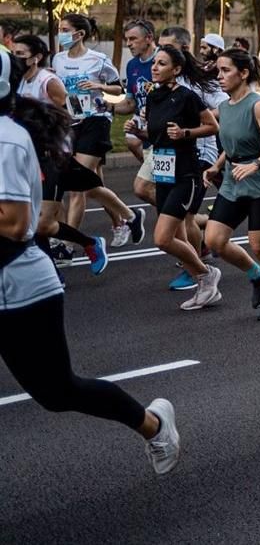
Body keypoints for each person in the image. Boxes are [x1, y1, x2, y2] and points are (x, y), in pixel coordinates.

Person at [0, 49, 183, 475]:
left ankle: (154, 426)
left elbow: (12, 223)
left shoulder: (6, 139)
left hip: (18, 287)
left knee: (57, 392)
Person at [204, 49, 260, 319]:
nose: (219, 76)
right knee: (215, 240)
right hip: (234, 178)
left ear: (243, 74)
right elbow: (233, 141)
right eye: (218, 70)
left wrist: (256, 164)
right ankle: (256, 275)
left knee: (259, 246)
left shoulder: (258, 105)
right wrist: (218, 165)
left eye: (225, 71)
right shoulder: (224, 106)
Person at [13, 35, 114, 271]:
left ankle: (83, 248)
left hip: (51, 157)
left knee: (43, 223)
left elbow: (72, 113)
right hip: (29, 156)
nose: (15, 58)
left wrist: (47, 130)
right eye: (13, 53)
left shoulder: (48, 81)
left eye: (20, 54)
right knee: (37, 224)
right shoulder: (17, 81)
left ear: (35, 58)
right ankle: (67, 260)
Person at [145, 44, 228, 309]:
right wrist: (138, 131)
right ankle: (204, 281)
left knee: (162, 238)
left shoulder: (187, 96)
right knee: (175, 237)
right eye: (154, 63)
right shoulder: (153, 96)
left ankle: (206, 273)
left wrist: (186, 134)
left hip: (186, 173)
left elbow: (212, 126)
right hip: (163, 171)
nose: (154, 68)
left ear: (176, 69)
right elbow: (157, 133)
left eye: (161, 64)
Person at [50, 13, 138, 243]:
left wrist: (98, 85)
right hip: (71, 123)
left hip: (96, 121)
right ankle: (124, 220)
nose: (61, 33)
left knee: (77, 187)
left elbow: (118, 90)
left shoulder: (97, 59)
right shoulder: (58, 59)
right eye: (60, 28)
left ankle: (67, 244)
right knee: (92, 183)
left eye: (65, 29)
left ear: (79, 34)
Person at [119, 19, 159, 163]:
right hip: (145, 126)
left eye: (133, 39)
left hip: (165, 127)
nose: (128, 44)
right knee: (131, 140)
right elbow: (130, 103)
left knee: (143, 185)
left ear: (149, 38)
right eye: (127, 39)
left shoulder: (165, 58)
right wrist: (107, 106)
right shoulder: (132, 65)